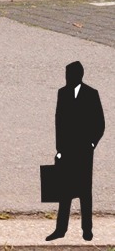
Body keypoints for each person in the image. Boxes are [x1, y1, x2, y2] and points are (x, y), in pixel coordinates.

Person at [53, 61, 105, 241]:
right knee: (64, 192)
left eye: (70, 74)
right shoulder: (62, 93)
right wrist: (59, 149)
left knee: (85, 192)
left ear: (78, 75)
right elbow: (59, 122)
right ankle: (61, 229)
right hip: (67, 151)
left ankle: (87, 229)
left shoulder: (91, 94)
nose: (67, 78)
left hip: (83, 151)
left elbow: (100, 123)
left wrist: (91, 144)